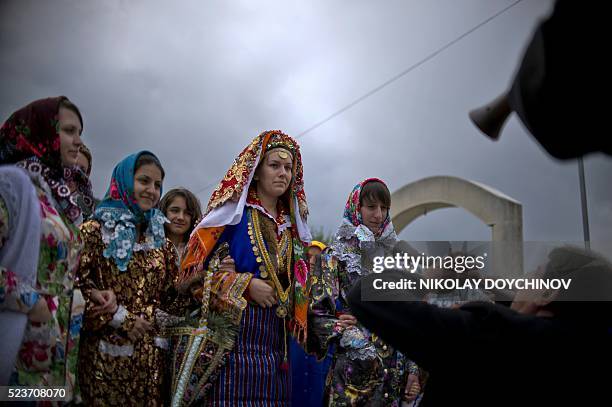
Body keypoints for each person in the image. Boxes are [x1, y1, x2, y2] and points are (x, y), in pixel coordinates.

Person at [348, 246, 612, 405]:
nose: (523, 280)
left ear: (547, 294)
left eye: (533, 273)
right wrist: (483, 280)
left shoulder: (487, 336)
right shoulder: (586, 347)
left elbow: (366, 293)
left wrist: (427, 276)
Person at [169, 130, 311, 405]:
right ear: (255, 172)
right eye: (274, 165)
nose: (283, 173)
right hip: (232, 348)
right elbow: (189, 280)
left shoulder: (294, 232)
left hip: (276, 351)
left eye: (288, 168)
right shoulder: (229, 218)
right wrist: (244, 285)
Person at [0, 97, 110, 401]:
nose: (78, 142)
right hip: (20, 344)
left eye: (80, 133)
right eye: (69, 131)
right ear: (39, 131)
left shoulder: (56, 197)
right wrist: (33, 301)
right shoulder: (11, 185)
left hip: (56, 350)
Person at [77, 151, 184, 405]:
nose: (151, 190)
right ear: (125, 180)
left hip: (152, 366)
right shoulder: (94, 231)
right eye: (144, 181)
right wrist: (120, 319)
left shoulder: (161, 242)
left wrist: (205, 283)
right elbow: (73, 287)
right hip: (105, 362)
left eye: (157, 185)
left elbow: (169, 298)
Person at [308, 178, 420, 406]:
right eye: (371, 207)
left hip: (393, 378)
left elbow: (411, 316)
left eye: (384, 207)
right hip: (354, 375)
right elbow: (317, 315)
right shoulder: (334, 256)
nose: (378, 214)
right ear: (356, 209)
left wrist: (413, 370)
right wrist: (346, 332)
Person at [290, 240, 334, 407]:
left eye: (319, 258)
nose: (313, 261)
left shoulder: (331, 295)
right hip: (295, 361)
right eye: (309, 257)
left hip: (319, 364)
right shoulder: (293, 290)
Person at [159, 187, 202, 262]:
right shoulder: (148, 246)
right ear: (163, 212)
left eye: (187, 213)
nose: (181, 217)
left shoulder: (200, 252)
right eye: (175, 211)